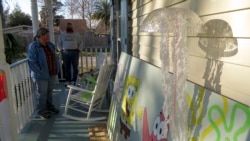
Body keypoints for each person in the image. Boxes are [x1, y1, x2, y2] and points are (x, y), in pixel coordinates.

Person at [28, 27, 60, 119]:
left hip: (52, 72)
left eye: (48, 35)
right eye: (46, 35)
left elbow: (54, 56)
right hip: (41, 75)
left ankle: (50, 107)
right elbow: (32, 61)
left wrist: (56, 68)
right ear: (40, 36)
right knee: (42, 93)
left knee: (49, 92)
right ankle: (41, 111)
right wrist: (40, 72)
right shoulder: (34, 46)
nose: (47, 37)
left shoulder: (49, 45)